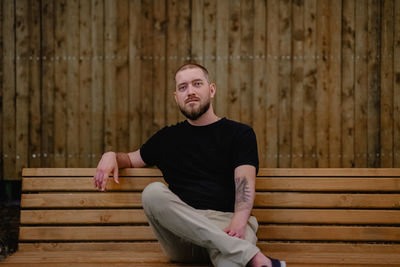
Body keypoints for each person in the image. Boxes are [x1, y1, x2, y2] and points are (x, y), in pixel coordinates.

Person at [94, 63, 286, 267]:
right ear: (176, 96)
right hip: (182, 237)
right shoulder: (166, 139)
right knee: (152, 193)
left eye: (197, 84)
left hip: (228, 225)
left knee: (231, 263)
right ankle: (253, 256)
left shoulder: (239, 134)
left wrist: (239, 223)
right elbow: (131, 159)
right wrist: (111, 155)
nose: (190, 91)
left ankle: (239, 251)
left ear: (211, 90)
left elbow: (244, 184)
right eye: (183, 87)